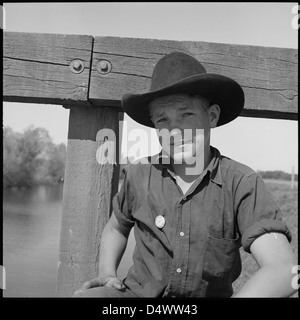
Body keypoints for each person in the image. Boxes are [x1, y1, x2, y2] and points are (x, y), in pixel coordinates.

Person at [73, 52, 297, 298]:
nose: (174, 129)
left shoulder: (241, 183)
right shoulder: (138, 175)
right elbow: (116, 227)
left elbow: (283, 269)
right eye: (162, 119)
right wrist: (107, 272)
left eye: (186, 114)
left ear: (211, 116)